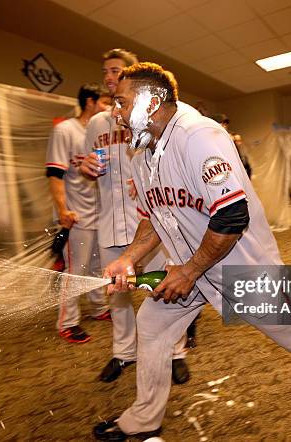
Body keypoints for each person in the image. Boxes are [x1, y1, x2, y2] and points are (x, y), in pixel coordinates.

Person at [93, 63, 291, 441]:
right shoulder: (141, 155)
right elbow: (153, 216)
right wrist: (129, 257)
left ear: (151, 102)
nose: (115, 112)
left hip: (244, 268)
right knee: (153, 326)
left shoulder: (198, 134)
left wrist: (187, 272)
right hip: (192, 269)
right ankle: (144, 420)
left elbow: (232, 215)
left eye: (121, 103)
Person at [80, 49, 190, 383]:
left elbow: (169, 158)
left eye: (116, 70)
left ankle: (176, 352)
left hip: (151, 220)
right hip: (111, 219)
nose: (109, 77)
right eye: (105, 71)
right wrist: (86, 168)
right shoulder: (98, 123)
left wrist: (145, 181)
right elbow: (89, 164)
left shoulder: (148, 116)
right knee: (119, 293)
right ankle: (123, 353)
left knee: (163, 287)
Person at [45, 83, 112, 343]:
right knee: (76, 270)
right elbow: (54, 174)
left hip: (100, 214)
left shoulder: (98, 133)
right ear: (90, 102)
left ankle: (99, 308)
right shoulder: (65, 130)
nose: (108, 107)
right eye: (105, 102)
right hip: (77, 215)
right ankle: (68, 322)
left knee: (97, 266)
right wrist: (63, 210)